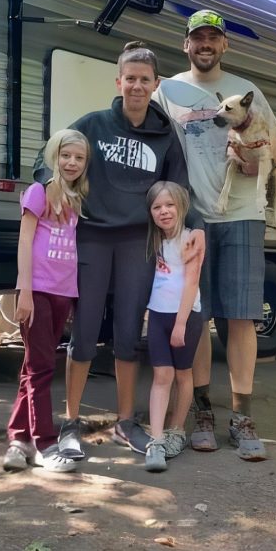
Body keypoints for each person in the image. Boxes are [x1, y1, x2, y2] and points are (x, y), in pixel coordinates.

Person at [154, 9, 276, 462]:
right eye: (198, 38)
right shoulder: (167, 91)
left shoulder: (248, 93)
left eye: (214, 37)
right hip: (193, 219)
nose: (206, 45)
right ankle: (204, 413)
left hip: (242, 213)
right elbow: (148, 141)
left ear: (224, 45)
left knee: (241, 317)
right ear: (186, 44)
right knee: (196, 318)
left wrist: (259, 161)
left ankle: (242, 416)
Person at [57, 41, 201, 461]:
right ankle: (70, 421)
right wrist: (58, 193)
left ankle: (125, 420)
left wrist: (199, 228)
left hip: (139, 243)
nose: (137, 86)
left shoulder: (165, 136)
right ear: (118, 81)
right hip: (93, 238)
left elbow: (181, 191)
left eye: (144, 80)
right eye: (130, 78)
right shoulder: (95, 124)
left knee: (126, 333)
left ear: (155, 85)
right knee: (83, 331)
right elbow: (52, 159)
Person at [2, 128, 90, 474]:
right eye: (66, 155)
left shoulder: (75, 199)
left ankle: (18, 439)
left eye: (79, 158)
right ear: (55, 156)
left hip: (63, 293)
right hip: (36, 291)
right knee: (42, 369)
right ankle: (45, 444)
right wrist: (24, 291)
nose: (71, 162)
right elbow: (25, 243)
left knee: (32, 367)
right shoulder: (38, 193)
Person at [143, 181, 203, 472]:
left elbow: (191, 282)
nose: (164, 211)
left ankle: (177, 430)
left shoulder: (191, 238)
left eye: (170, 205)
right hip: (157, 314)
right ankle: (155, 440)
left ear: (181, 208)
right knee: (161, 375)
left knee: (182, 374)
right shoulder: (154, 240)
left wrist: (180, 323)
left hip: (185, 316)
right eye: (157, 207)